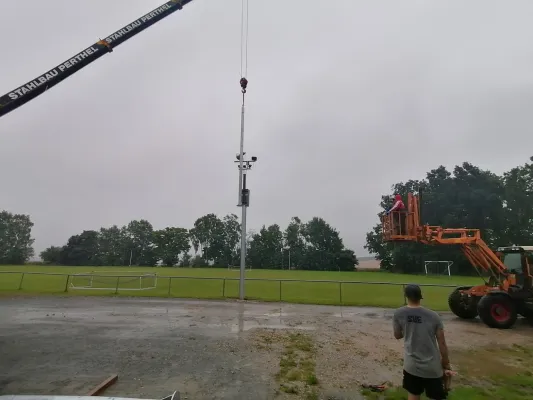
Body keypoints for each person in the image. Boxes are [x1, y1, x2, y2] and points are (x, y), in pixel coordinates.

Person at [392, 284, 453, 400]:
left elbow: (397, 335)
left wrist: (410, 328)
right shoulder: (433, 316)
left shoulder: (399, 313)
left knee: (413, 395)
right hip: (432, 368)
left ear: (406, 296)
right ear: (420, 297)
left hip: (411, 366)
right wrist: (446, 364)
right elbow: (442, 344)